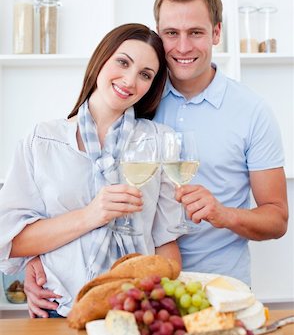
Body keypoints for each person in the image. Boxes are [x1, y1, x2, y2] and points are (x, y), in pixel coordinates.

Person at [23, 0, 289, 317]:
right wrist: (39, 260)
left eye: (196, 32)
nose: (182, 46)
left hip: (217, 288)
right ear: (158, 33)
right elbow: (65, 184)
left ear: (217, 33)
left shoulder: (252, 111)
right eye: (171, 33)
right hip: (143, 291)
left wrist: (224, 214)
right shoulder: (132, 95)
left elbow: (277, 218)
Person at [0, 23, 182, 318]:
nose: (130, 80)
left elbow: (166, 242)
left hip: (137, 308)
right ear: (102, 59)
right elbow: (12, 239)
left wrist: (166, 303)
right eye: (123, 62)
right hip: (60, 308)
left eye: (145, 75)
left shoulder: (159, 141)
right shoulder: (43, 140)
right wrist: (91, 215)